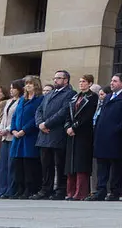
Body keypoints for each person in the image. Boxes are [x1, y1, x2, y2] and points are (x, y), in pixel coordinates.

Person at [92, 74, 122, 201]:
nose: (112, 83)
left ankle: (114, 191)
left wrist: (119, 128)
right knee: (102, 165)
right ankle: (100, 190)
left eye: (115, 81)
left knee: (116, 166)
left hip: (117, 137)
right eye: (111, 80)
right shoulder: (108, 97)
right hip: (103, 136)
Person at [34, 70, 75, 200]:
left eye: (59, 78)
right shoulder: (49, 94)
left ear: (66, 80)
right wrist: (40, 123)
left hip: (57, 134)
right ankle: (46, 188)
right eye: (55, 78)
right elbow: (39, 110)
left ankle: (60, 189)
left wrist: (47, 124)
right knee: (46, 164)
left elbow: (63, 112)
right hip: (44, 135)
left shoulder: (70, 93)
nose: (55, 80)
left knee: (59, 163)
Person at [10, 76, 44, 199]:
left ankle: (30, 189)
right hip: (17, 137)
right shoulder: (21, 100)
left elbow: (35, 117)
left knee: (29, 164)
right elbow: (15, 116)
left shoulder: (40, 99)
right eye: (26, 84)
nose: (27, 86)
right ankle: (20, 188)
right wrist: (13, 129)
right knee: (18, 165)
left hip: (29, 136)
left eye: (30, 84)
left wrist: (24, 130)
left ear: (36, 85)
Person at [63, 74, 97, 200]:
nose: (81, 83)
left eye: (84, 81)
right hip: (71, 134)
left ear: (90, 83)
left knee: (81, 162)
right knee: (71, 163)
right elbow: (68, 114)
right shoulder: (74, 97)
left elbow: (87, 116)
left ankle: (81, 192)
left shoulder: (93, 97)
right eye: (80, 81)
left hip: (83, 134)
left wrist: (74, 127)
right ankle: (70, 191)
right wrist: (67, 127)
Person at [0, 80, 23, 198]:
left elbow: (15, 119)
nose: (11, 90)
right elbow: (4, 118)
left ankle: (10, 190)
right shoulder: (8, 102)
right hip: (4, 137)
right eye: (10, 88)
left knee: (11, 165)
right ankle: (2, 189)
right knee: (2, 165)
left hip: (12, 136)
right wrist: (0, 128)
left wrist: (7, 129)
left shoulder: (20, 101)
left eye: (14, 88)